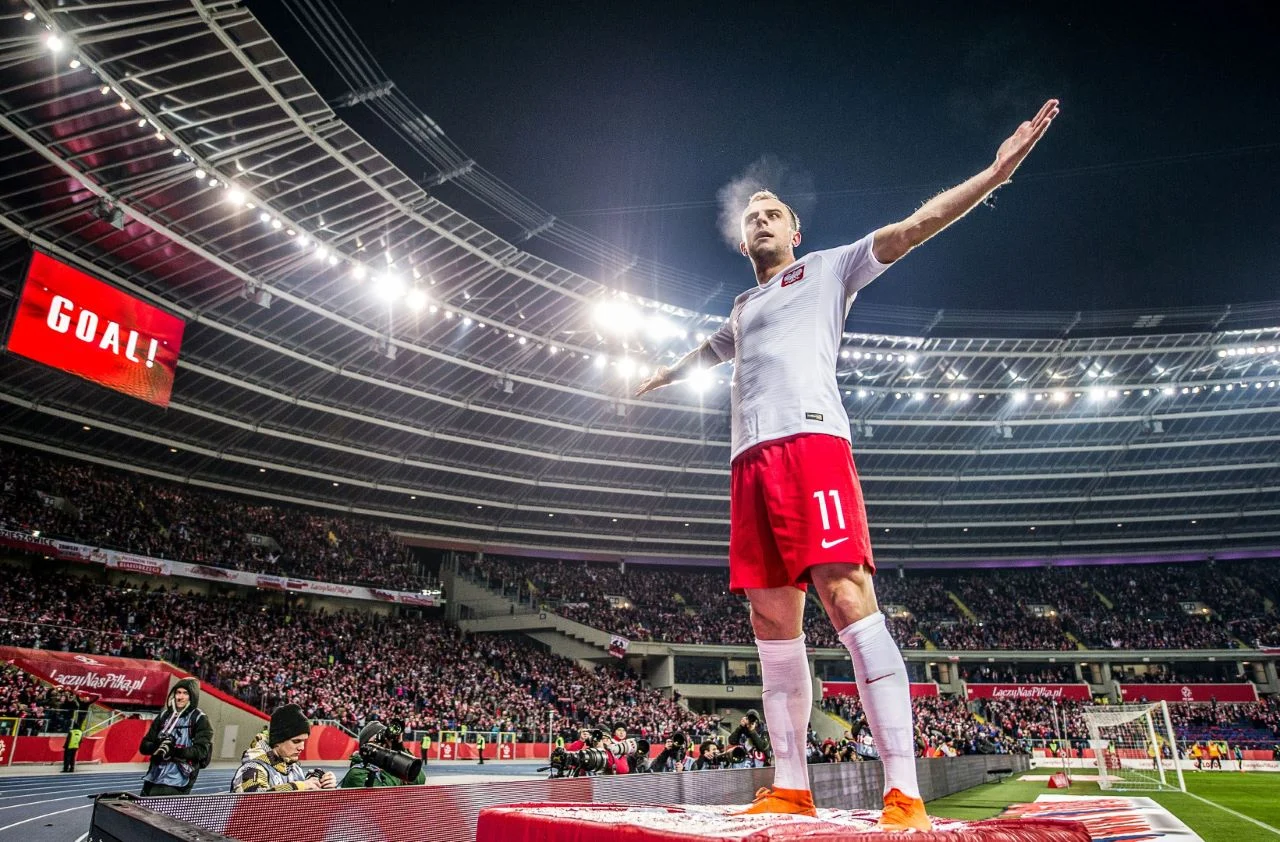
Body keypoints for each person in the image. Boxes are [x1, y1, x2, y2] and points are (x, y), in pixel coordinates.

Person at [636, 99, 1060, 831]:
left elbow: (915, 227)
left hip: (812, 446)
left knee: (846, 597)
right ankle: (791, 783)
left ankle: (904, 791)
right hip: (748, 461)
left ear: (795, 232)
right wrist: (664, 374)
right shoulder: (741, 306)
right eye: (751, 217)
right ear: (742, 239)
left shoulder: (830, 268)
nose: (760, 220)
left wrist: (995, 174)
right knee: (770, 620)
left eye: (772, 213)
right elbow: (711, 350)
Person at [230, 704, 337, 793]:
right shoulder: (252, 768)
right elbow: (253, 800)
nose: (302, 747)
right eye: (296, 741)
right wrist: (300, 786)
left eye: (303, 741)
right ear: (278, 741)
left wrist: (323, 784)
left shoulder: (294, 768)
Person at [139, 678, 213, 795]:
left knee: (160, 804)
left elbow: (201, 751)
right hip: (154, 775)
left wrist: (173, 751)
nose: (180, 697)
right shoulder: (164, 715)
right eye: (178, 692)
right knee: (141, 804)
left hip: (180, 779)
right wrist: (157, 746)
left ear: (192, 696)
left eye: (185, 693)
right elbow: (144, 746)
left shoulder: (199, 718)